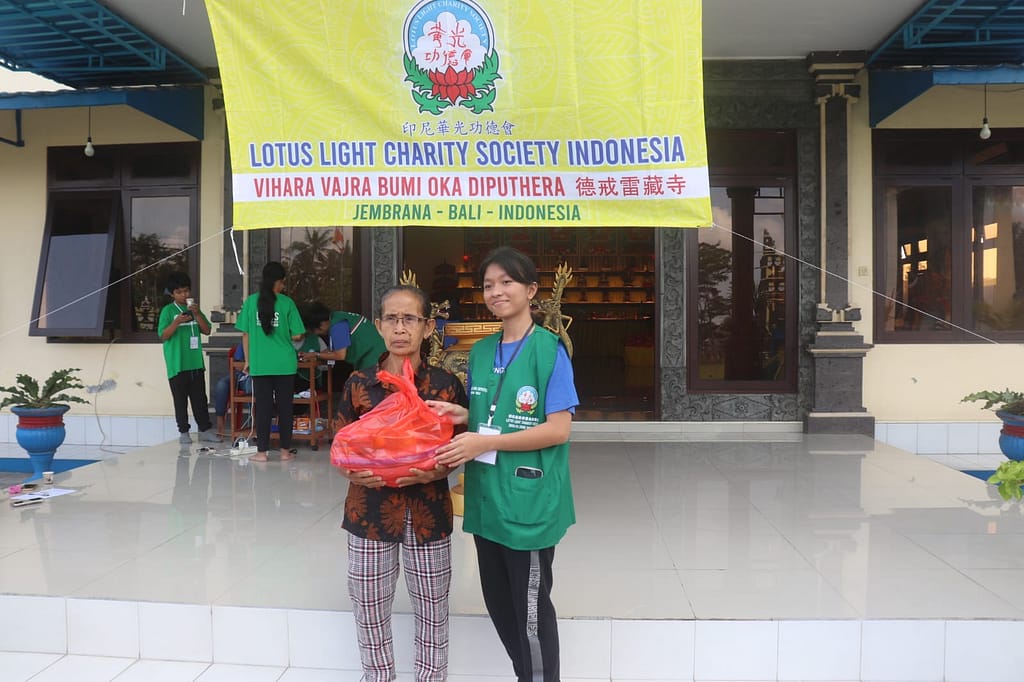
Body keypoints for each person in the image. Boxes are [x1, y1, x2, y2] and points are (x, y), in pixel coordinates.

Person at [428, 246, 578, 682]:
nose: (496, 291)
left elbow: (558, 430)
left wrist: (482, 441)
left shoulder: (549, 351)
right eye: (488, 285)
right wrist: (463, 415)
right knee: (499, 603)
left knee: (530, 613)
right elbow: (493, 414)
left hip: (527, 502)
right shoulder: (480, 352)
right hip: (488, 498)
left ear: (531, 290)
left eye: (506, 282)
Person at [335, 284, 468, 682]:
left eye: (409, 319)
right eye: (391, 319)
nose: (400, 328)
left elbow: (463, 445)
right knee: (369, 606)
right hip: (369, 513)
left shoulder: (446, 385)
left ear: (427, 327)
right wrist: (349, 470)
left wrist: (438, 471)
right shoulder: (359, 384)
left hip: (428, 512)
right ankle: (378, 676)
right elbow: (340, 444)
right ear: (378, 326)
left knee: (432, 610)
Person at [235, 261, 306, 462]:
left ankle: (261, 453)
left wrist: (247, 360)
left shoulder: (251, 302)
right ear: (278, 281)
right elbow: (298, 334)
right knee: (285, 409)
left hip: (260, 364)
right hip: (285, 364)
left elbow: (245, 334)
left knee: (263, 408)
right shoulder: (287, 303)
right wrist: (286, 335)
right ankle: (284, 452)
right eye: (283, 282)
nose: (283, 285)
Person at [158, 271, 220, 445]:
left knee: (200, 399)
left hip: (195, 363)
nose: (184, 295)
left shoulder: (195, 309)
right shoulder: (168, 311)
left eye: (186, 290)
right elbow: (163, 335)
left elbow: (207, 330)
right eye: (179, 292)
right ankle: (183, 432)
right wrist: (176, 322)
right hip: (177, 364)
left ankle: (205, 430)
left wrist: (197, 314)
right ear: (172, 294)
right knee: (180, 400)